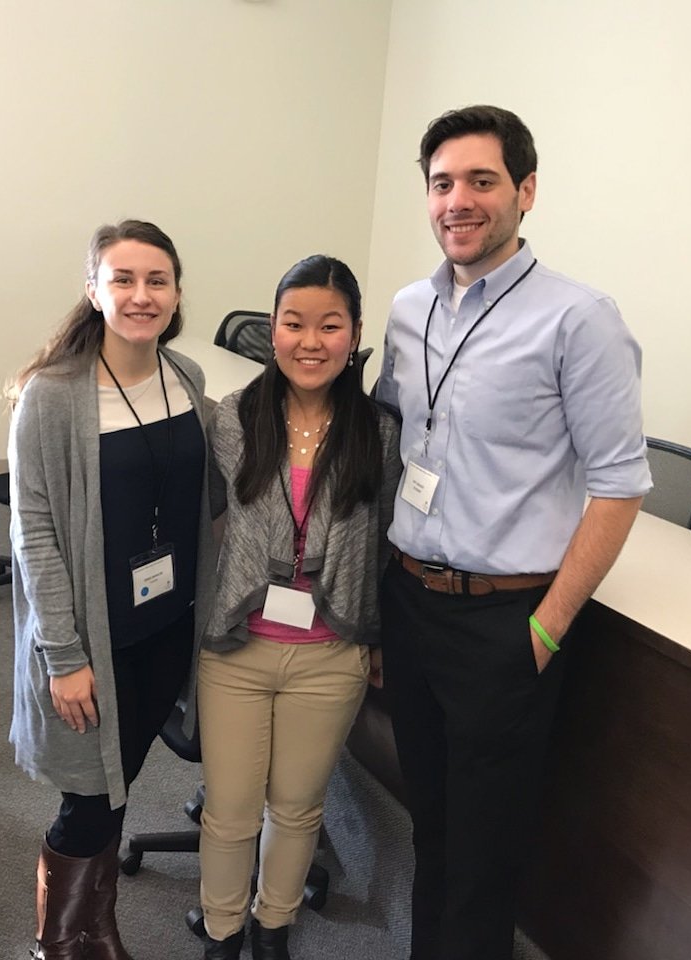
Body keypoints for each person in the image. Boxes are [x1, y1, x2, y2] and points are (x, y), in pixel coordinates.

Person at [375, 105, 652, 960]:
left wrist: (545, 627)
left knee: (487, 851)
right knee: (431, 826)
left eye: (482, 181)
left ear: (525, 192)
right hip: (410, 601)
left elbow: (619, 485)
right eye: (442, 183)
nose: (459, 200)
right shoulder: (407, 307)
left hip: (506, 621)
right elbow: (396, 440)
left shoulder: (580, 318)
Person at [7, 220, 214, 960]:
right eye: (122, 279)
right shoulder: (54, 396)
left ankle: (98, 926)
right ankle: (57, 944)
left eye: (156, 279)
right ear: (93, 290)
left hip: (166, 627)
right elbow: (33, 533)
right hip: (95, 638)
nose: (140, 294)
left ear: (177, 293)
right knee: (89, 798)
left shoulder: (184, 377)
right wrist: (62, 654)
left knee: (118, 783)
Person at [197, 256, 402, 960]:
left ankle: (273, 927)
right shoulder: (232, 420)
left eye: (329, 325)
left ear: (355, 336)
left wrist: (372, 637)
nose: (310, 341)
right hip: (236, 651)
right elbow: (201, 529)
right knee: (228, 813)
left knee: (297, 808)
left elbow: (378, 547)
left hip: (330, 653)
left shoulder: (377, 433)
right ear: (272, 331)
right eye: (293, 323)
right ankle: (223, 933)